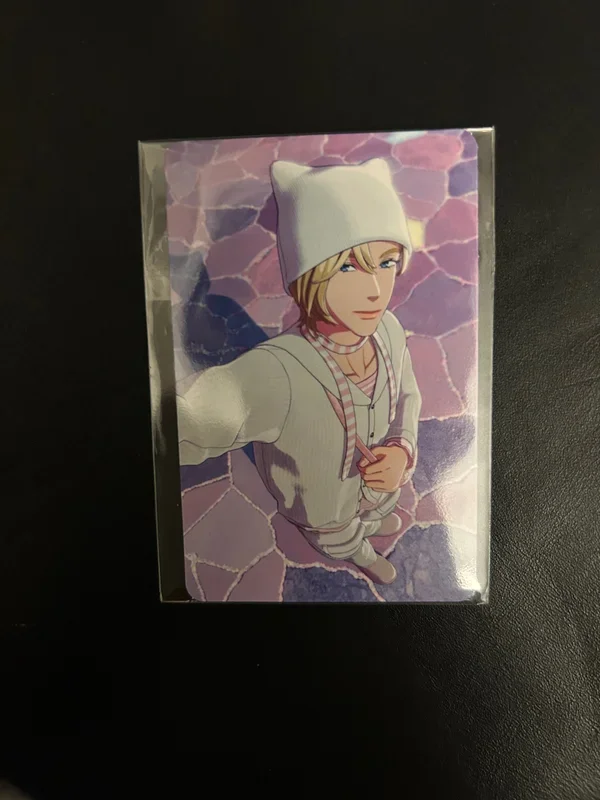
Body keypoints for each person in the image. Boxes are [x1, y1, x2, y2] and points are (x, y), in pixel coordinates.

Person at [177, 157, 421, 585]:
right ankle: (359, 551)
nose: (374, 290)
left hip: (380, 484)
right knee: (339, 535)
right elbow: (191, 423)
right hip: (323, 508)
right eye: (347, 267)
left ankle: (373, 521)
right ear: (307, 275)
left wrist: (401, 447)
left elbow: (407, 396)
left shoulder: (389, 330)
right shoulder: (279, 372)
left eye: (386, 263)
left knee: (378, 506)